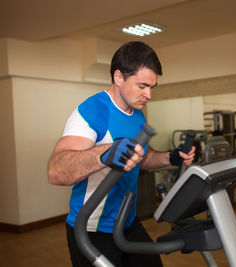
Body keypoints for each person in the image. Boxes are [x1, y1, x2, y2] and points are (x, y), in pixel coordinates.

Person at [48, 41, 195, 267]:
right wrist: (105, 153)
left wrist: (171, 157)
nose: (149, 94)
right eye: (142, 85)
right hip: (91, 227)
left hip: (126, 221)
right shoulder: (92, 110)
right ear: (119, 77)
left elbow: (141, 158)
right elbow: (57, 171)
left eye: (152, 87)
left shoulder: (136, 112)